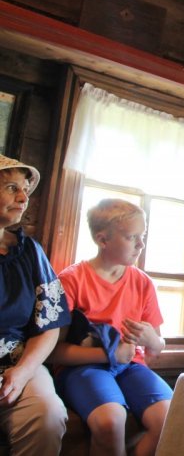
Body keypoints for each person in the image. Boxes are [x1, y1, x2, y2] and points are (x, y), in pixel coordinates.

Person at [50, 199, 171, 456]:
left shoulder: (142, 283)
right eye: (132, 237)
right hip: (83, 368)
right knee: (110, 421)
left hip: (131, 367)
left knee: (170, 419)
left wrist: (152, 340)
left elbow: (156, 348)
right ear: (102, 240)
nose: (141, 244)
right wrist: (109, 354)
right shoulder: (71, 281)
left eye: (143, 236)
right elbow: (54, 351)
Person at [0, 155, 71, 455]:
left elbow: (49, 325)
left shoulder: (30, 251)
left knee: (47, 416)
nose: (23, 197)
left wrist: (24, 371)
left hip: (17, 362)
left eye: (25, 189)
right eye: (12, 188)